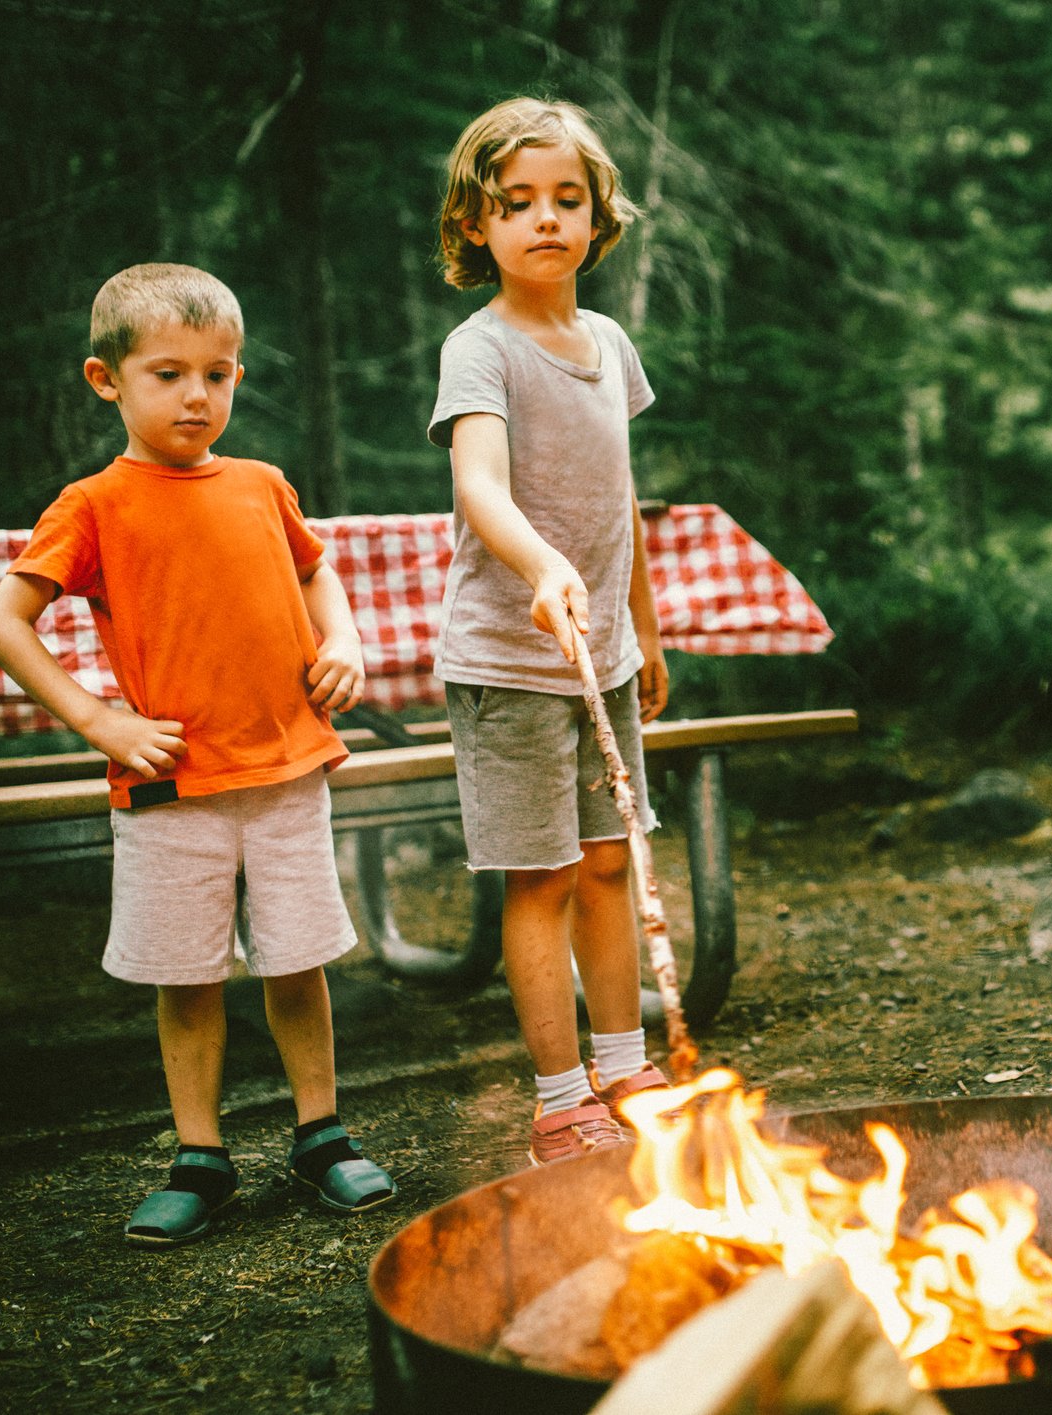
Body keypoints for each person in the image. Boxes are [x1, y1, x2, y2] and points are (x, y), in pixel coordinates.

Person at [0, 263, 396, 1247]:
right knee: (187, 973)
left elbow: (316, 572)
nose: (197, 395)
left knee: (298, 961)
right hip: (172, 786)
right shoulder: (92, 504)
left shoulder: (261, 485)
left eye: (218, 373)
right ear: (105, 379)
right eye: (168, 373)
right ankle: (199, 1156)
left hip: (287, 770)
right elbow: (4, 621)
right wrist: (102, 721)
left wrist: (344, 641)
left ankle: (320, 1133)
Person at [428, 98, 672, 1166]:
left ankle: (627, 1066)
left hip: (602, 661)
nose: (544, 220)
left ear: (596, 215)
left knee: (612, 865)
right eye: (516, 202)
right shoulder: (478, 350)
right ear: (475, 224)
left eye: (565, 200)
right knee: (544, 875)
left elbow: (621, 498)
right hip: (510, 664)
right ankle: (561, 1092)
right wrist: (541, 566)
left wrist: (643, 631)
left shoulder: (608, 343)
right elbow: (479, 483)